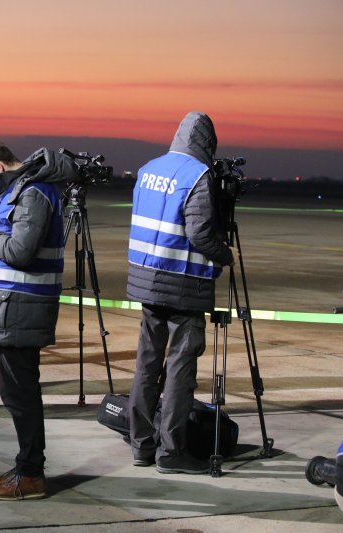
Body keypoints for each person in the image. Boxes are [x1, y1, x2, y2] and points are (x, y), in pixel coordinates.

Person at [0, 140, 70, 501]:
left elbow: (20, 252)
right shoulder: (21, 191)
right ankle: (26, 464)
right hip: (10, 307)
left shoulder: (34, 193)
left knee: (20, 392)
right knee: (16, 391)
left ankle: (32, 472)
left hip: (21, 306)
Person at [126, 111, 235, 475]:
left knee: (147, 365)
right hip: (183, 285)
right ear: (207, 142)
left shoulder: (148, 169)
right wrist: (225, 254)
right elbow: (201, 234)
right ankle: (172, 452)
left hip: (146, 281)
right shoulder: (198, 176)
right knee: (179, 371)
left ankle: (141, 445)